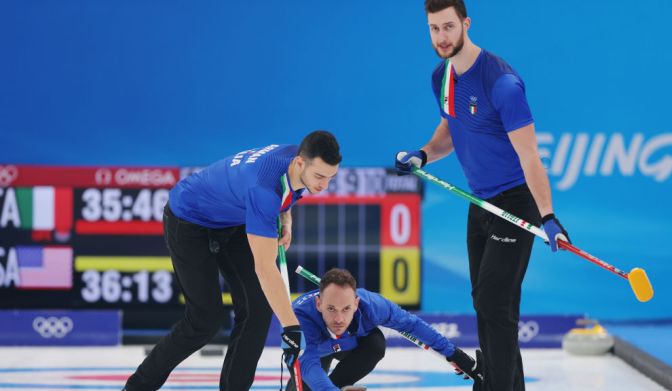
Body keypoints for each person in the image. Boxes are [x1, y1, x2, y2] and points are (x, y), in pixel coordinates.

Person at [395, 1, 570, 390]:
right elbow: (450, 130)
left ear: (466, 24)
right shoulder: (441, 77)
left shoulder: (501, 84)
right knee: (488, 303)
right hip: (481, 204)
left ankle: (491, 383)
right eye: (434, 29)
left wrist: (548, 216)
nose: (441, 37)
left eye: (448, 27)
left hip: (515, 202)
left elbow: (530, 157)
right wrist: (424, 153)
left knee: (494, 302)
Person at [124, 131, 342, 391]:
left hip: (232, 219)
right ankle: (136, 388)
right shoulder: (263, 190)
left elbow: (287, 189)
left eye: (330, 178)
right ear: (299, 163)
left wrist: (286, 216)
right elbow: (264, 268)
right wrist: (291, 327)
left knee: (257, 310)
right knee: (204, 320)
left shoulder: (296, 158)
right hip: (189, 219)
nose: (323, 185)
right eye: (319, 177)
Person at [285, 268, 483, 391]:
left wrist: (454, 354)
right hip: (315, 349)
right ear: (318, 304)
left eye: (346, 309)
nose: (338, 318)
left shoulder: (373, 306)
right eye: (331, 309)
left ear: (356, 303)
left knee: (375, 344)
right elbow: (307, 362)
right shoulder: (299, 316)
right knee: (306, 381)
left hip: (350, 343)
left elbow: (412, 324)